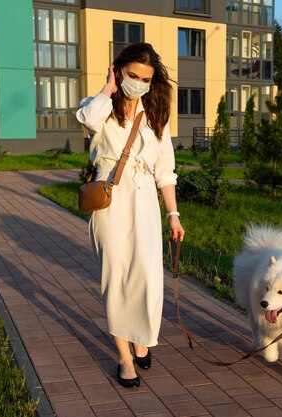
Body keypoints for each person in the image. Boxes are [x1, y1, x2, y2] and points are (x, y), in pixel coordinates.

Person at [76, 43, 185, 388]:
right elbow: (88, 120)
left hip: (145, 205)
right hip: (110, 203)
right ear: (119, 69)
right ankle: (125, 358)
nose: (138, 82)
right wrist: (109, 87)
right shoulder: (101, 106)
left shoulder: (156, 116)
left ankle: (140, 338)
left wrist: (173, 215)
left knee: (148, 279)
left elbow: (165, 171)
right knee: (117, 279)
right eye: (132, 75)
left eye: (145, 79)